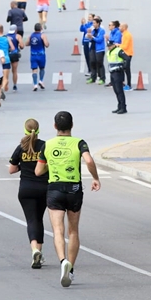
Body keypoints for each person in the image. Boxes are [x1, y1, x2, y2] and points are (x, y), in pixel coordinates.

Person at [35, 111, 100, 287]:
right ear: (72, 126)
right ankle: (70, 270)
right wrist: (95, 178)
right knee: (73, 231)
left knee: (58, 231)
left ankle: (62, 260)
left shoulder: (47, 145)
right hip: (74, 189)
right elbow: (89, 161)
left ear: (55, 126)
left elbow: (38, 171)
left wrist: (53, 163)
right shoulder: (80, 143)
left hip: (55, 188)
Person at [9, 118, 48, 268]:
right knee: (39, 219)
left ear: (25, 130)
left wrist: (23, 166)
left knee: (31, 220)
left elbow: (11, 169)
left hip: (26, 189)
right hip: (43, 189)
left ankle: (34, 251)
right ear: (38, 131)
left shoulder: (21, 147)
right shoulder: (45, 146)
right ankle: (39, 251)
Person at [107, 44, 130, 114]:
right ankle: (119, 106)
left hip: (118, 73)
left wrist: (124, 67)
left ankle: (123, 107)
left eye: (110, 46)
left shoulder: (118, 51)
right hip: (112, 73)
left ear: (113, 45)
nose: (108, 47)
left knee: (119, 91)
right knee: (116, 90)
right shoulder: (109, 52)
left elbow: (127, 58)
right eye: (108, 46)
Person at [27, 23, 49, 91]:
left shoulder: (31, 36)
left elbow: (26, 44)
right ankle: (41, 81)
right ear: (41, 29)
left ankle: (35, 85)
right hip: (41, 55)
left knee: (34, 70)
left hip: (33, 55)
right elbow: (46, 45)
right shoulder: (42, 35)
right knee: (42, 68)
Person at [0, 24, 14, 94]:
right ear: (3, 30)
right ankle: (2, 88)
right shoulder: (7, 38)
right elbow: (13, 48)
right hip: (6, 59)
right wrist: (8, 50)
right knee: (5, 77)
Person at [86, 17, 107, 85]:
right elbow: (89, 39)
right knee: (92, 62)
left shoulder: (102, 30)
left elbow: (99, 40)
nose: (93, 25)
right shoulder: (93, 30)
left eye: (94, 23)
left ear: (98, 23)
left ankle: (102, 78)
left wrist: (92, 37)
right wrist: (89, 36)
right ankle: (93, 77)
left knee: (99, 63)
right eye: (93, 23)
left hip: (99, 49)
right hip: (92, 48)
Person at [105, 20, 121, 87]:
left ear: (113, 26)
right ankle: (112, 81)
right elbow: (110, 43)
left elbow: (117, 41)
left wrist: (110, 40)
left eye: (109, 25)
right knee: (111, 66)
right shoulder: (111, 32)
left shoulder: (118, 32)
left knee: (118, 67)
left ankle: (120, 82)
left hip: (116, 50)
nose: (108, 26)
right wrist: (108, 40)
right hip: (111, 50)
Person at [7, 25, 23, 91]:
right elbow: (22, 46)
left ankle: (5, 84)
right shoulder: (18, 36)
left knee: (6, 71)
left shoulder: (6, 36)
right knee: (14, 71)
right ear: (16, 30)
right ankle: (15, 85)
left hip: (7, 54)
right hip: (14, 54)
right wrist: (19, 45)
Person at [120, 23, 134, 89]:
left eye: (120, 26)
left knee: (127, 70)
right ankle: (123, 83)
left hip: (127, 54)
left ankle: (129, 85)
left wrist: (118, 45)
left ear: (124, 28)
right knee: (123, 69)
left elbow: (125, 46)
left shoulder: (127, 35)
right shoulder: (124, 34)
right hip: (124, 54)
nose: (119, 28)